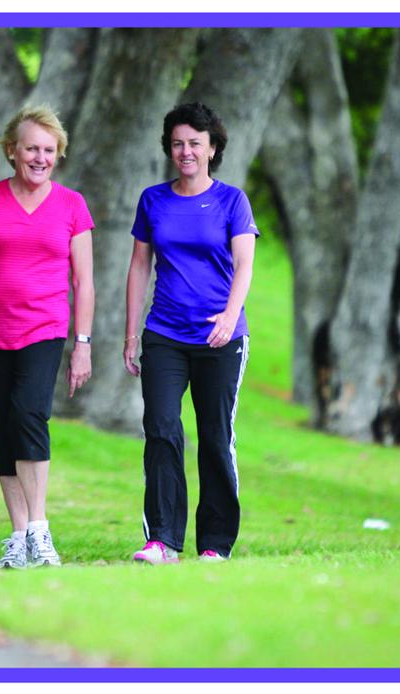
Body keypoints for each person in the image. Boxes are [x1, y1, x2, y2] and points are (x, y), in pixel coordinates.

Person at [0, 105, 95, 569]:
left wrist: (82, 344)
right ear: (12, 151)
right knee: (3, 427)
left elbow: (84, 282)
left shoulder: (72, 206)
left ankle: (39, 528)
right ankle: (18, 534)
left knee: (29, 414)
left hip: (44, 329)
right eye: (32, 148)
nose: (40, 157)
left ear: (58, 155)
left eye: (49, 150)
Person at [124, 102, 258, 565]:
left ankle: (214, 545)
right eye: (178, 143)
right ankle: (161, 539)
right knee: (161, 429)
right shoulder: (153, 200)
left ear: (212, 148)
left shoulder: (232, 201)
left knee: (215, 436)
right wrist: (130, 334)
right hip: (164, 334)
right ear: (169, 148)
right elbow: (139, 267)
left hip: (221, 339)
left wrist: (228, 316)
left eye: (195, 144)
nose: (186, 151)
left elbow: (244, 264)